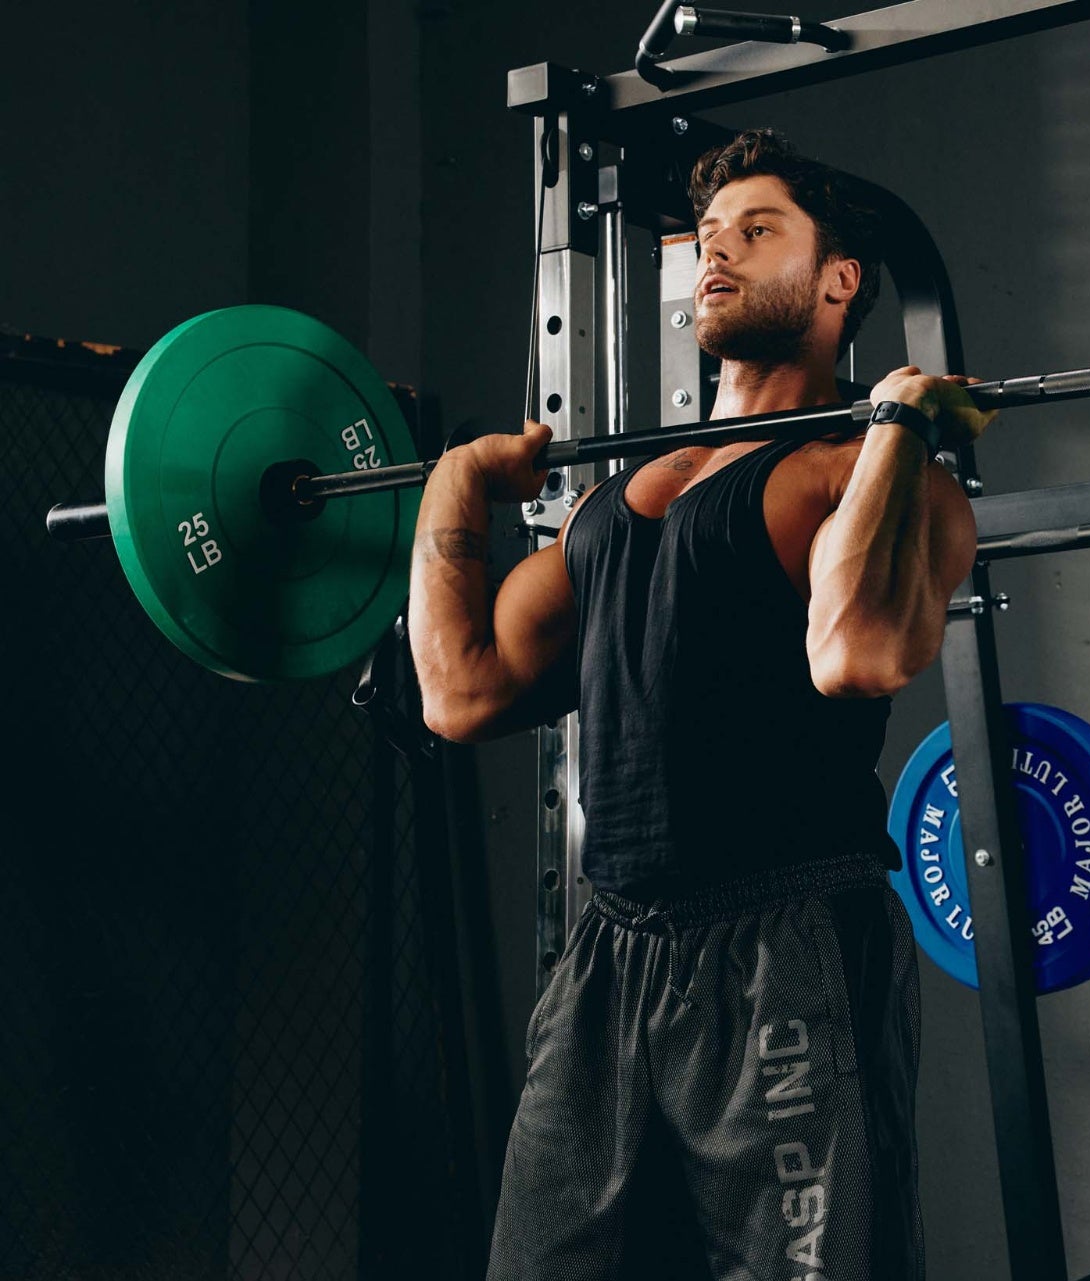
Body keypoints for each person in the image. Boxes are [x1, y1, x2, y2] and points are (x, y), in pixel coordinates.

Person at [407, 129, 994, 1279]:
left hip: (785, 951)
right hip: (610, 958)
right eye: (710, 238)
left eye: (757, 230)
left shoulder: (863, 476)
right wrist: (456, 486)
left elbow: (860, 651)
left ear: (840, 281)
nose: (717, 255)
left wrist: (895, 426)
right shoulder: (617, 505)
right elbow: (458, 691)